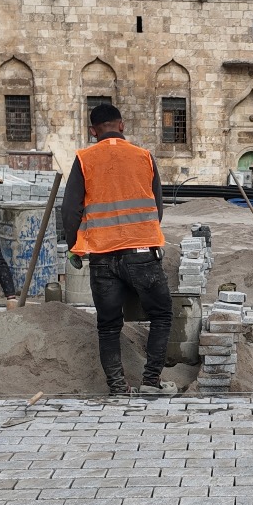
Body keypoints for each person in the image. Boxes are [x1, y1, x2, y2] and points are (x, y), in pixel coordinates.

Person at [62, 103, 174, 395]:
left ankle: (118, 386)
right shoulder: (144, 156)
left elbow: (70, 209)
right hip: (142, 254)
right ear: (121, 126)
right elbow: (157, 207)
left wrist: (75, 246)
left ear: (92, 131)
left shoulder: (84, 159)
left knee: (109, 325)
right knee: (161, 316)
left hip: (102, 257)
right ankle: (150, 382)